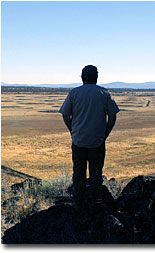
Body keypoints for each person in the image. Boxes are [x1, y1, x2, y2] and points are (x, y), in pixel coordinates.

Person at [59, 65, 120, 209]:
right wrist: (105, 134)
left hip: (79, 140)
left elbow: (65, 114)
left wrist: (72, 130)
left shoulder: (74, 93)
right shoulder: (104, 93)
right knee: (96, 172)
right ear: (96, 77)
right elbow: (112, 116)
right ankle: (95, 202)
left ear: (82, 77)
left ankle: (78, 202)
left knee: (78, 172)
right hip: (97, 141)